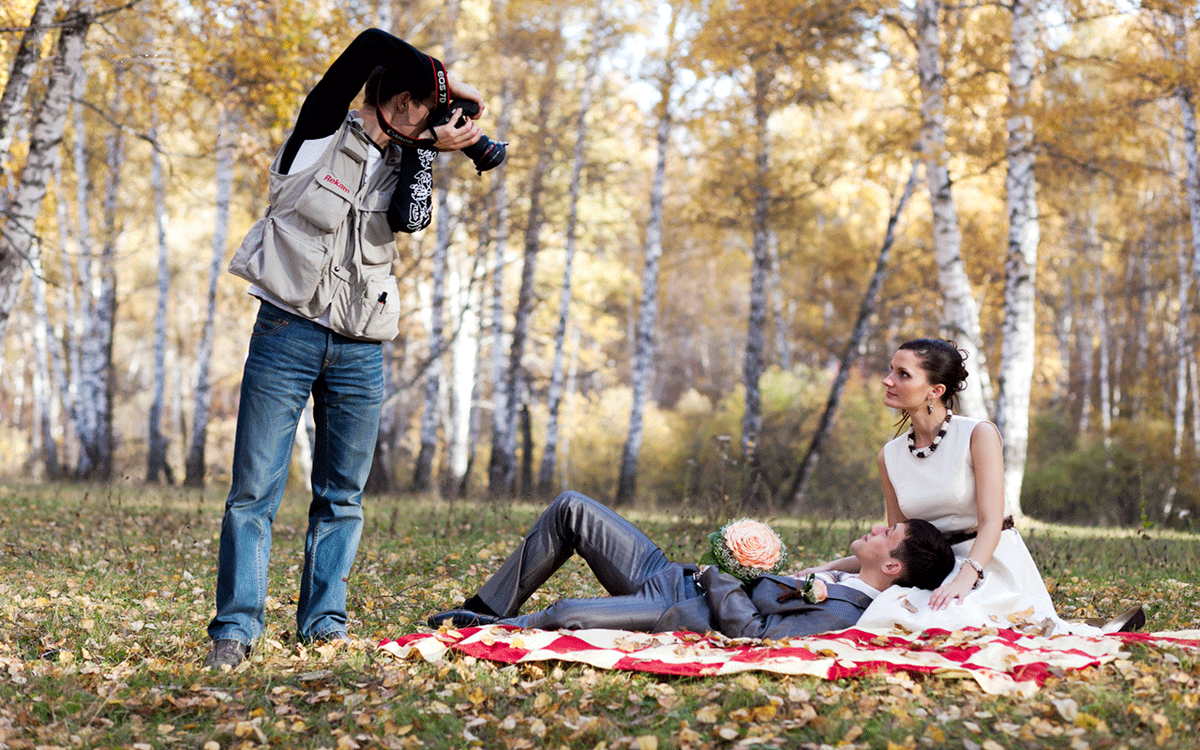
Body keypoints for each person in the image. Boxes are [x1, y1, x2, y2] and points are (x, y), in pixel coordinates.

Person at [204, 29, 487, 670]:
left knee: (342, 496)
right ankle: (235, 630)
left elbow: (412, 222)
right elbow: (366, 45)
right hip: (287, 332)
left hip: (361, 350)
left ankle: (323, 624)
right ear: (392, 95)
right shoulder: (318, 131)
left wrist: (426, 150)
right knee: (254, 490)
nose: (431, 117)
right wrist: (445, 78)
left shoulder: (407, 160)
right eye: (423, 103)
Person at [808, 338, 1142, 635]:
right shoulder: (890, 456)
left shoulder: (977, 435)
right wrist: (827, 569)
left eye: (903, 374)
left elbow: (992, 522)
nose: (888, 380)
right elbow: (894, 544)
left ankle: (1075, 630)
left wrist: (966, 579)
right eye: (891, 370)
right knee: (891, 618)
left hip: (990, 562)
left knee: (957, 622)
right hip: (929, 569)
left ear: (935, 390)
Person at [425, 491, 955, 639]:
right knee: (572, 508)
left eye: (889, 534)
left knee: (565, 612)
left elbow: (752, 630)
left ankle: (489, 631)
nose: (879, 527)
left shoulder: (842, 609)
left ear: (892, 567)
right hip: (670, 571)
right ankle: (485, 605)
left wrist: (720, 570)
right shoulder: (838, 574)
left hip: (676, 604)